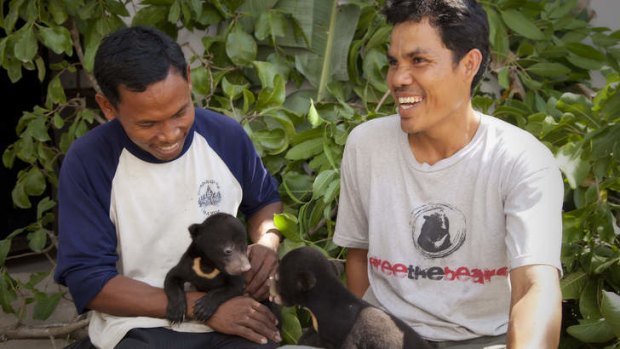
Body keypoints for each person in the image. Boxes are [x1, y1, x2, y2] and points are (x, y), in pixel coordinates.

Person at [333, 1, 564, 348]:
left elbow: (535, 286)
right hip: (389, 336)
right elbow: (358, 256)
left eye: (419, 61)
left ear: (468, 64)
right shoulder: (366, 146)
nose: (398, 79)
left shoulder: (521, 159)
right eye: (394, 62)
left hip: (483, 340)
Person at [54, 26, 284, 349]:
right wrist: (200, 308)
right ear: (108, 107)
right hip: (139, 326)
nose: (170, 134)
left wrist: (267, 242)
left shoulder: (225, 137)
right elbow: (89, 281)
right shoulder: (89, 162)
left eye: (180, 112)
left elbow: (266, 202)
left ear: (189, 79)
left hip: (231, 313)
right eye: (148, 123)